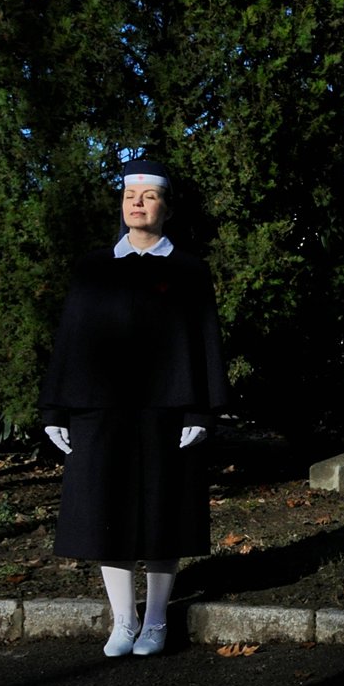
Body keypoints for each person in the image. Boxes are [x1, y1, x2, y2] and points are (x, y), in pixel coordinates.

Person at [38, 160, 228, 657]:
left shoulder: (188, 269)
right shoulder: (94, 266)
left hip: (168, 410)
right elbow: (71, 339)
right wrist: (55, 409)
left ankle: (157, 620)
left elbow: (205, 341)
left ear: (166, 205)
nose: (136, 204)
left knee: (165, 514)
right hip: (100, 412)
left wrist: (202, 411)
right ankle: (124, 621)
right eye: (129, 196)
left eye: (147, 196)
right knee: (108, 514)